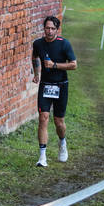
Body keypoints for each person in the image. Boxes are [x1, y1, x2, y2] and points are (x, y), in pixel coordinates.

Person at [32, 15, 77, 167]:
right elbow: (34, 57)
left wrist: (55, 65)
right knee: (43, 117)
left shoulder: (64, 44)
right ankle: (42, 157)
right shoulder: (38, 43)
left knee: (59, 122)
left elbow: (73, 65)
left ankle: (62, 142)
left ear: (57, 29)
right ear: (43, 29)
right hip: (45, 85)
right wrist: (37, 73)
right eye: (47, 28)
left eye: (52, 28)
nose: (49, 31)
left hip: (61, 85)